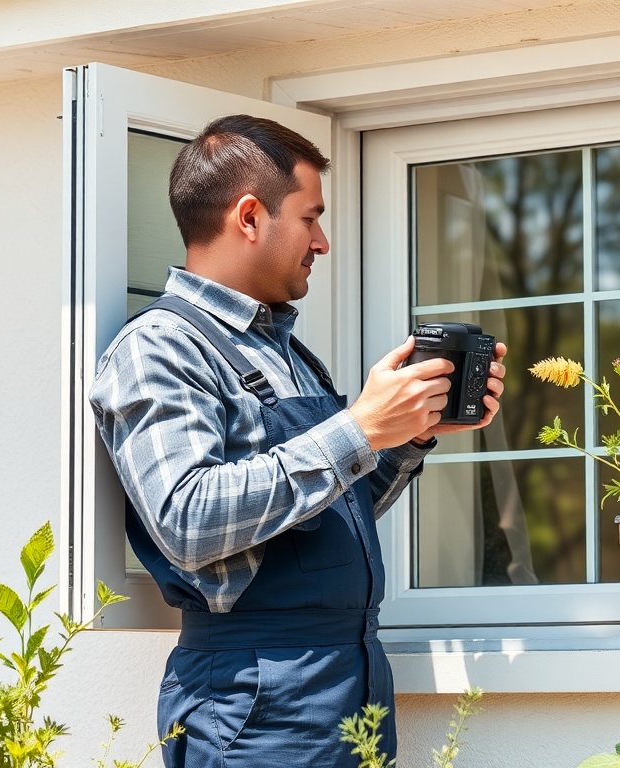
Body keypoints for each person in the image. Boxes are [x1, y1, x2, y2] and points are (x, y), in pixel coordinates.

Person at [89, 114, 507, 768]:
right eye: (310, 218)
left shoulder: (290, 354)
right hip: (254, 698)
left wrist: (405, 438)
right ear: (250, 217)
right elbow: (188, 519)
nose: (324, 241)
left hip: (349, 683)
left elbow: (322, 514)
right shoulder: (160, 349)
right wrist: (359, 427)